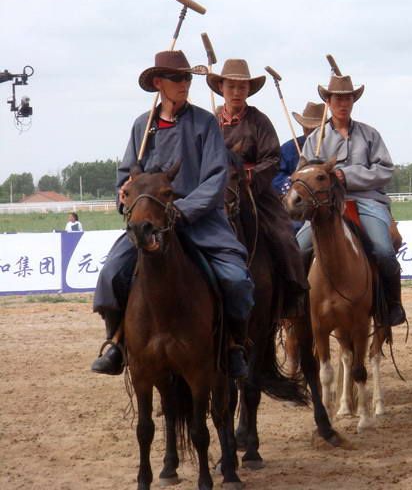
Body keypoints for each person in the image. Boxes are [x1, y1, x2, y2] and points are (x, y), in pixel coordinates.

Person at [91, 50, 254, 379]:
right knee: (110, 274)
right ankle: (117, 344)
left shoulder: (205, 123)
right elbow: (127, 175)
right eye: (178, 78)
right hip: (149, 224)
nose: (185, 84)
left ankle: (235, 343)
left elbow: (215, 177)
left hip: (200, 222)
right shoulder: (142, 126)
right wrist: (125, 192)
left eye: (187, 78)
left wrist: (182, 210)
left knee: (236, 280)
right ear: (158, 83)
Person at [296, 70, 406, 326]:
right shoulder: (315, 139)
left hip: (367, 202)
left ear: (353, 101)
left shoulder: (370, 135)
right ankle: (299, 304)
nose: (342, 104)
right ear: (329, 102)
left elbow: (385, 170)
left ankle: (392, 304)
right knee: (298, 248)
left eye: (347, 99)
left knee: (383, 250)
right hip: (326, 207)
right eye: (337, 99)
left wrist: (347, 176)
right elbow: (302, 173)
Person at [208, 58, 309, 317]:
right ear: (221, 87)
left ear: (248, 90)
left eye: (242, 87)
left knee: (284, 236)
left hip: (256, 193)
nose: (237, 92)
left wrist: (249, 176)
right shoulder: (210, 123)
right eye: (232, 86)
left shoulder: (259, 121)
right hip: (217, 193)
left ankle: (293, 293)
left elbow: (273, 158)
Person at [273, 101, 325, 197]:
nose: (309, 131)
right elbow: (275, 175)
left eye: (314, 128)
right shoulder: (289, 148)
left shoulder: (332, 145)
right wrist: (291, 183)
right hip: (293, 201)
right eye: (306, 127)